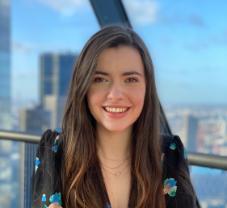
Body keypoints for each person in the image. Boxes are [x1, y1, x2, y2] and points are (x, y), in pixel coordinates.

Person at [32, 25, 200, 208]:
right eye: (100, 79)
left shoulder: (170, 153)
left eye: (130, 79)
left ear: (147, 88)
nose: (116, 94)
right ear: (84, 87)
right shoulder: (55, 152)